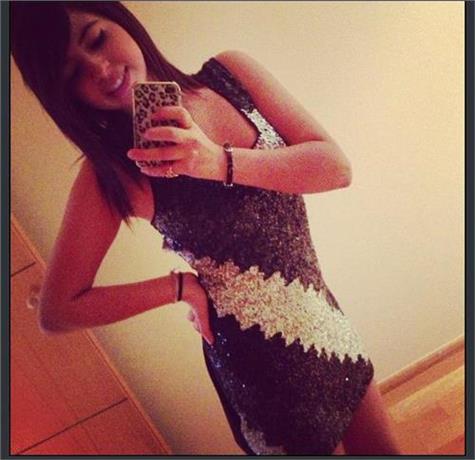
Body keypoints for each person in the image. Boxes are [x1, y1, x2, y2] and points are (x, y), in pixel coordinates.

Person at [11, 1, 402, 455]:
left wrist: (216, 161)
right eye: (73, 72)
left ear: (121, 20)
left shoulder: (231, 75)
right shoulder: (115, 173)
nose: (99, 68)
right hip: (260, 366)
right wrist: (178, 287)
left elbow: (334, 168)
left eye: (97, 39)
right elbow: (57, 310)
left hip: (324, 315)